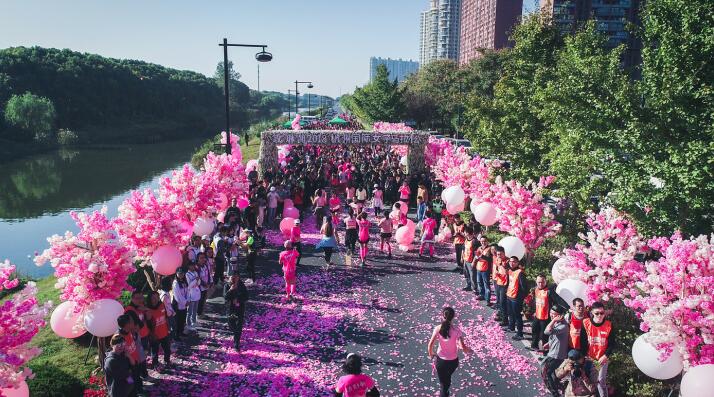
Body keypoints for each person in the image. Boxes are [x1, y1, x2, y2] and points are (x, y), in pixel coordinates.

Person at [427, 307, 473, 397]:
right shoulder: (457, 331)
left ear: (442, 316)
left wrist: (431, 354)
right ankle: (446, 391)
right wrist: (469, 350)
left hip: (441, 361)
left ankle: (445, 392)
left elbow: (430, 344)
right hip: (453, 362)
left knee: (444, 384)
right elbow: (463, 347)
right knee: (446, 381)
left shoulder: (437, 329)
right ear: (453, 317)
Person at [579, 301, 615, 397]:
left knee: (600, 381)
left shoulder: (609, 325)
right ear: (592, 313)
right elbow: (582, 341)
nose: (600, 315)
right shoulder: (586, 323)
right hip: (589, 357)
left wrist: (605, 356)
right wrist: (583, 356)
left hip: (601, 359)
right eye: (597, 313)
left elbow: (612, 344)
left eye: (602, 313)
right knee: (588, 380)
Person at [542, 305, 569, 397]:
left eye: (554, 314)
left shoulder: (563, 326)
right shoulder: (558, 323)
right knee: (551, 373)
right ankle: (560, 387)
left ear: (560, 316)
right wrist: (549, 343)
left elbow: (547, 331)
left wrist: (553, 321)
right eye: (551, 313)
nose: (551, 316)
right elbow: (555, 336)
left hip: (556, 355)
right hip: (553, 352)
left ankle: (555, 393)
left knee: (545, 372)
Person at [116, 313, 142, 396]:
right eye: (130, 322)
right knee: (131, 380)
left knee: (137, 377)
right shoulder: (119, 338)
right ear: (126, 325)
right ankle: (133, 393)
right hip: (129, 366)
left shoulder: (129, 330)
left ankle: (139, 390)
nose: (133, 323)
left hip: (135, 360)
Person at [146, 291, 171, 370]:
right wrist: (151, 335)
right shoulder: (148, 310)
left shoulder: (162, 305)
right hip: (154, 336)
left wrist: (168, 327)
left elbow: (166, 317)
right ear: (150, 299)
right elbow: (147, 325)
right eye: (153, 298)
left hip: (164, 332)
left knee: (167, 349)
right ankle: (155, 364)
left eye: (157, 297)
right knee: (154, 351)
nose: (156, 299)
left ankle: (167, 361)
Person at [224, 273, 249, 351]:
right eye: (232, 277)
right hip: (231, 309)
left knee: (239, 326)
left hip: (240, 309)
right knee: (232, 325)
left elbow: (246, 297)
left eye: (236, 276)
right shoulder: (227, 285)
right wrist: (230, 290)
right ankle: (235, 332)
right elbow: (225, 297)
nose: (234, 278)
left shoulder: (242, 285)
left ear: (238, 277)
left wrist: (238, 300)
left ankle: (236, 344)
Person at [532, 274, 557, 351]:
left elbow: (556, 302)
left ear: (546, 281)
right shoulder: (536, 289)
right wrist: (534, 311)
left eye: (542, 282)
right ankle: (534, 346)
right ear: (536, 281)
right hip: (537, 315)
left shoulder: (549, 291)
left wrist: (553, 313)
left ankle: (544, 351)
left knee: (543, 335)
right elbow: (535, 301)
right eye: (539, 282)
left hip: (545, 317)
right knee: (534, 330)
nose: (540, 284)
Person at [505, 256, 527, 340]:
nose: (511, 263)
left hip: (516, 298)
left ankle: (520, 333)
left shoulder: (520, 272)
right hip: (509, 295)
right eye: (510, 261)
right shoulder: (510, 270)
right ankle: (511, 327)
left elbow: (524, 288)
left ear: (518, 262)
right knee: (510, 314)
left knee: (517, 316)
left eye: (514, 261)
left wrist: (519, 298)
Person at [493, 246, 509, 324]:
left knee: (503, 302)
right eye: (498, 254)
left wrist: (502, 264)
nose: (499, 256)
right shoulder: (497, 259)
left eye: (500, 254)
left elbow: (507, 272)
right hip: (498, 282)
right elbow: (497, 269)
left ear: (504, 254)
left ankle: (505, 319)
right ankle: (501, 315)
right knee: (499, 301)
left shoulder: (508, 261)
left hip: (505, 284)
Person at [171, 269, 189, 338]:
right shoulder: (175, 283)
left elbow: (187, 291)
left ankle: (181, 332)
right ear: (176, 274)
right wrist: (185, 301)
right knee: (177, 320)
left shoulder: (184, 281)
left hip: (184, 304)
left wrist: (187, 300)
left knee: (182, 319)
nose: (181, 275)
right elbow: (177, 296)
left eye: (182, 273)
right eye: (179, 273)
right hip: (178, 304)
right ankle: (176, 335)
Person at [185, 262, 202, 332]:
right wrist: (196, 280)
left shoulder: (195, 273)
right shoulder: (187, 274)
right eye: (191, 266)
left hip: (196, 292)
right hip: (191, 293)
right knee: (190, 310)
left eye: (193, 266)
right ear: (189, 267)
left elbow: (199, 282)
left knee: (195, 309)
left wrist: (197, 281)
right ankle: (188, 324)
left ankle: (194, 321)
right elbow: (189, 285)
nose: (193, 267)